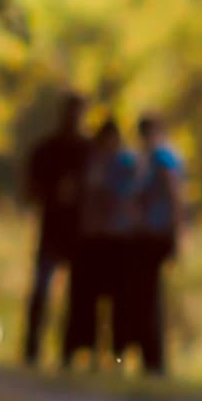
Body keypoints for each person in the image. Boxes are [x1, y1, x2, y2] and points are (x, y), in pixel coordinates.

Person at [62, 113, 144, 367]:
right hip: (92, 240)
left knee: (120, 302)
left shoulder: (127, 163)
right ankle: (85, 350)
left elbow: (133, 197)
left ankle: (117, 353)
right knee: (87, 301)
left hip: (118, 240)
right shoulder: (89, 163)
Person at [19, 93, 87, 366]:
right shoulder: (47, 150)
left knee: (73, 297)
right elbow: (30, 189)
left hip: (78, 232)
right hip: (53, 229)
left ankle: (68, 351)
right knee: (42, 292)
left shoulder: (86, 150)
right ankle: (33, 350)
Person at [133, 114, 187, 377]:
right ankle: (150, 359)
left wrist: (176, 234)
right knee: (147, 297)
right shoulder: (154, 158)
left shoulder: (162, 158)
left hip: (157, 234)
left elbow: (174, 197)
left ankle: (154, 362)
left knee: (149, 297)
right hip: (150, 234)